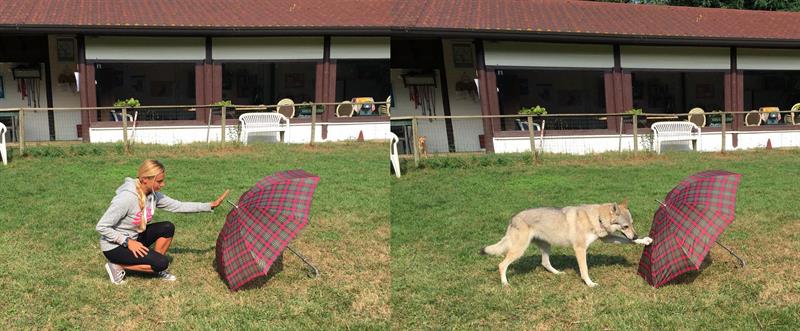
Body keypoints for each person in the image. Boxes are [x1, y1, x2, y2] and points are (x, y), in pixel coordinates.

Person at [96, 159, 229, 284]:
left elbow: (178, 206)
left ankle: (154, 265)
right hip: (115, 246)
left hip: (134, 237)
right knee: (162, 263)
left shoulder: (153, 195)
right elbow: (102, 226)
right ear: (144, 179)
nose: (163, 184)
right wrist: (127, 242)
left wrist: (209, 205)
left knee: (167, 227)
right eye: (159, 181)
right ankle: (116, 265)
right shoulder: (127, 198)